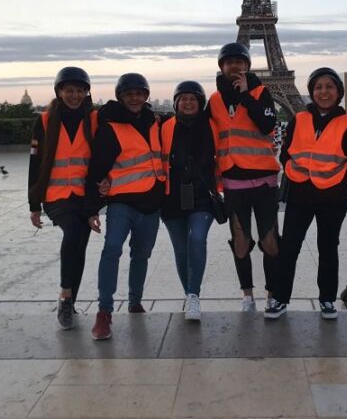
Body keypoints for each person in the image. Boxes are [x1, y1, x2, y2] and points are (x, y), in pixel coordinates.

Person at [264, 67, 347, 320]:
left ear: (338, 92)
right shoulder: (299, 119)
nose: (323, 92)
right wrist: (294, 172)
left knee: (328, 247)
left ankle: (327, 299)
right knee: (289, 248)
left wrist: (341, 184)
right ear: (311, 92)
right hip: (300, 194)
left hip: (333, 197)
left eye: (329, 87)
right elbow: (286, 150)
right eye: (318, 87)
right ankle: (281, 298)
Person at [85, 73, 166, 340]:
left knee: (141, 256)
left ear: (146, 96)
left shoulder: (155, 122)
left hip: (151, 204)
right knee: (111, 251)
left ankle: (135, 302)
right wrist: (92, 208)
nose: (135, 97)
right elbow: (97, 169)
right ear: (121, 96)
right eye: (129, 93)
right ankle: (104, 311)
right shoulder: (110, 126)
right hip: (121, 203)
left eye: (139, 93)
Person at [207, 42, 280, 312]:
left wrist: (247, 96)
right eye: (229, 62)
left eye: (240, 61)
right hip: (233, 182)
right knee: (240, 242)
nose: (235, 66)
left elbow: (267, 125)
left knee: (270, 240)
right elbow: (204, 135)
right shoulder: (214, 100)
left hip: (264, 180)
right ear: (222, 67)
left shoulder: (261, 92)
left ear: (247, 66)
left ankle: (271, 294)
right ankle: (247, 295)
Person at [27, 66, 97, 330]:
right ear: (59, 92)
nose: (75, 95)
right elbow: (34, 164)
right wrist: (34, 204)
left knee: (79, 247)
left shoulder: (93, 119)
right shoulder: (44, 121)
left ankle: (70, 302)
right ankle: (65, 295)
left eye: (80, 91)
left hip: (84, 197)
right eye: (70, 91)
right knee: (73, 235)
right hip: (56, 196)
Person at [160, 81, 220, 321]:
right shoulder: (163, 127)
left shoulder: (212, 127)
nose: (187, 103)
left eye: (192, 99)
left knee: (197, 238)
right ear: (175, 102)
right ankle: (190, 295)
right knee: (181, 250)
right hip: (172, 197)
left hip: (202, 196)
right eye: (183, 98)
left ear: (200, 103)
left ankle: (193, 295)